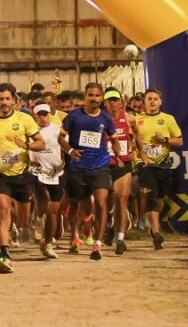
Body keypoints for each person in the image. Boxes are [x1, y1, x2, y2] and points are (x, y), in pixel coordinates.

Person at [0, 83, 45, 273]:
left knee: (22, 220)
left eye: (7, 99)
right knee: (3, 212)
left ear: (14, 100)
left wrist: (26, 145)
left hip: (21, 175)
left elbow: (41, 143)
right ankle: (4, 254)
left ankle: (9, 235)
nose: (4, 102)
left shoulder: (25, 120)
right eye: (1, 99)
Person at [64, 83, 122, 261]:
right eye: (91, 95)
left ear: (101, 97)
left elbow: (113, 139)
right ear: (85, 97)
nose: (94, 99)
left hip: (100, 165)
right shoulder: (74, 116)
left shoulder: (106, 118)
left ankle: (97, 244)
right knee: (83, 207)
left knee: (101, 203)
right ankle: (77, 232)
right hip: (78, 167)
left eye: (97, 95)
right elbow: (61, 137)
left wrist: (118, 155)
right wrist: (70, 151)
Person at [134, 89, 183, 251]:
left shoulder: (168, 119)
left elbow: (180, 141)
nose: (152, 101)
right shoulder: (137, 120)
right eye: (149, 99)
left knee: (160, 197)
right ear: (144, 102)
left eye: (155, 99)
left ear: (160, 102)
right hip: (145, 164)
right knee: (151, 196)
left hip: (163, 164)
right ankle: (156, 233)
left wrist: (165, 140)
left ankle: (153, 222)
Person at [30, 102, 71, 259]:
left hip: (56, 172)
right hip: (38, 171)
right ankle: (39, 218)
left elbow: (65, 146)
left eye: (44, 114)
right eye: (39, 114)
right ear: (35, 116)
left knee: (54, 211)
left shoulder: (56, 130)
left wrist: (70, 154)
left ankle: (47, 243)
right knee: (44, 202)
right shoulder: (31, 131)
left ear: (49, 114)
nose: (42, 117)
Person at [103, 87, 139, 255]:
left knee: (122, 199)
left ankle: (121, 238)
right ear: (105, 103)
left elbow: (138, 136)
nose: (112, 104)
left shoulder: (130, 119)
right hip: (104, 164)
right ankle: (110, 222)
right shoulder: (100, 120)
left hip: (123, 164)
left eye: (115, 100)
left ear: (121, 102)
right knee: (107, 203)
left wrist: (138, 152)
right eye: (109, 100)